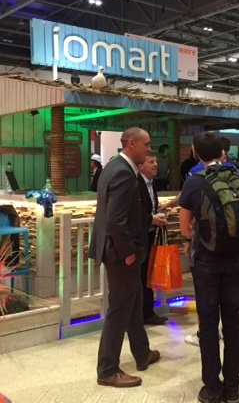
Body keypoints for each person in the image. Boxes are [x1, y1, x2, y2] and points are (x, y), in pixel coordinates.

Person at [179, 132, 239, 403]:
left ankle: (212, 388)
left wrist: (195, 234)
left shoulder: (195, 182)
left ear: (196, 152)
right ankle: (233, 388)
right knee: (232, 321)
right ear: (222, 151)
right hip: (237, 259)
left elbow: (185, 228)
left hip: (207, 262)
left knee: (209, 324)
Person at [88, 127, 160, 388]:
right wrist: (128, 252)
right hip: (121, 253)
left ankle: (142, 353)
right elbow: (116, 221)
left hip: (118, 251)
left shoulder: (115, 167)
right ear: (131, 143)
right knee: (119, 310)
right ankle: (107, 369)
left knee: (134, 302)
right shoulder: (122, 172)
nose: (149, 149)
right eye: (146, 144)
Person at [138, 153, 169, 325]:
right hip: (138, 237)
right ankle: (139, 314)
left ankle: (147, 312)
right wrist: (150, 219)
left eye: (156, 161)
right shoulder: (136, 183)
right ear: (141, 166)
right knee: (139, 276)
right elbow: (133, 212)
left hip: (150, 235)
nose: (155, 164)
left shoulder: (152, 184)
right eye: (151, 162)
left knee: (147, 275)